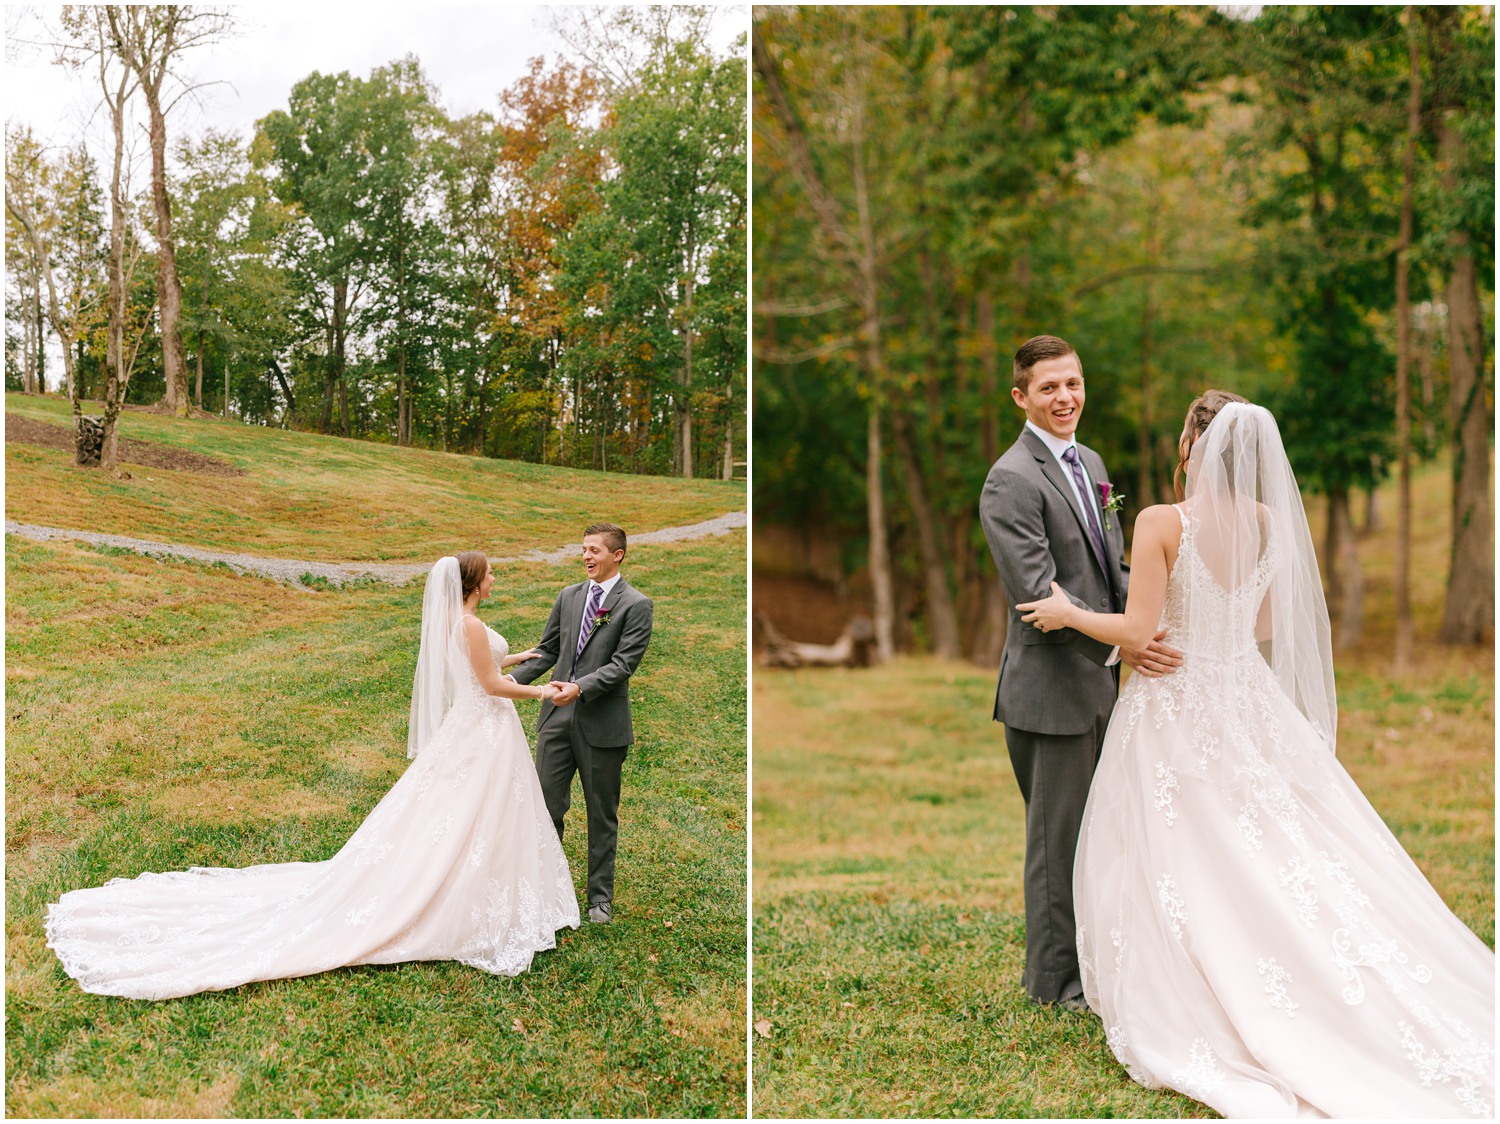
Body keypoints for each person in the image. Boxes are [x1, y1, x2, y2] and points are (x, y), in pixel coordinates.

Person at [1016, 396, 1496, 1117]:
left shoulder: (1160, 521)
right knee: (1272, 843)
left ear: (1192, 443)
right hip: (1245, 696)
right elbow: (1269, 621)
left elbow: (1139, 629)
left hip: (1174, 705)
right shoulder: (1270, 522)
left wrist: (1067, 613)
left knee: (1181, 847)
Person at [45, 552, 580, 1000]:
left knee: (463, 812)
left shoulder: (454, 623)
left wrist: (521, 657)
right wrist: (541, 690)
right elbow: (486, 685)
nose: (495, 578)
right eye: (489, 573)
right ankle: (462, 894)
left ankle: (472, 882)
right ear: (473, 583)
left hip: (476, 730)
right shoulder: (466, 623)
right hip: (483, 728)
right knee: (472, 812)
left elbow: (478, 668)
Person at [978, 335, 1181, 1009]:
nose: (1064, 398)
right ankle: (1054, 987)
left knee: (1096, 836)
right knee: (1055, 844)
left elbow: (1109, 570)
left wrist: (1148, 622)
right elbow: (1040, 596)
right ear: (1021, 397)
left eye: (1072, 383)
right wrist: (1123, 644)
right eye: (1048, 388)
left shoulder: (1089, 462)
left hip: (1098, 682)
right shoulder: (1011, 478)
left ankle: (1092, 970)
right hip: (1049, 692)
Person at [510, 523, 653, 925]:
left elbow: (623, 665)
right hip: (555, 719)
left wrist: (579, 687)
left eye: (594, 550)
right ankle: (545, 888)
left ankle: (599, 899)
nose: (586, 556)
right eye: (584, 549)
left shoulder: (636, 605)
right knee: (546, 807)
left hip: (602, 725)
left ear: (617, 555)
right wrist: (508, 685)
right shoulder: (569, 596)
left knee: (600, 815)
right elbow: (547, 650)